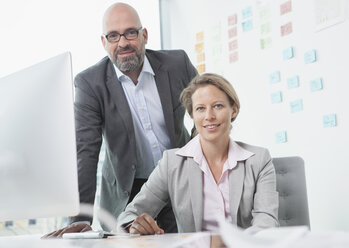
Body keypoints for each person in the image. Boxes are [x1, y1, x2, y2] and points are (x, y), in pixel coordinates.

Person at [43, 2, 197, 237]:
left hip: (178, 180)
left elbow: (207, 107)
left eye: (130, 33)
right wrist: (81, 220)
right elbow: (86, 151)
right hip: (127, 192)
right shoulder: (90, 83)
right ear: (103, 42)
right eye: (113, 36)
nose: (122, 42)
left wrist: (197, 158)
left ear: (144, 35)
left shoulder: (177, 64)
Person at [117, 73, 279, 235]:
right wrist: (134, 225)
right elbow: (128, 215)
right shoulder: (171, 163)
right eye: (200, 108)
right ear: (192, 115)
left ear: (234, 110)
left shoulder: (259, 160)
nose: (209, 116)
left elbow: (266, 223)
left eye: (218, 106)